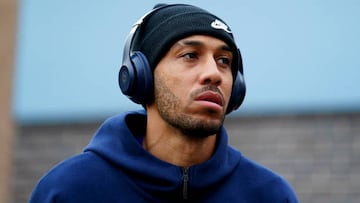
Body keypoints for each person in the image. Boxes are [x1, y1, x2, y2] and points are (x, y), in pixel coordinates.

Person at [29, 3, 298, 202]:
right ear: (141, 75)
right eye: (190, 55)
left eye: (224, 61)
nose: (213, 74)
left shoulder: (269, 194)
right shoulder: (68, 190)